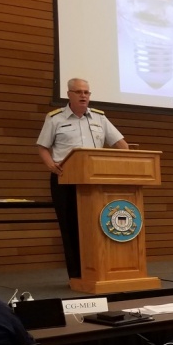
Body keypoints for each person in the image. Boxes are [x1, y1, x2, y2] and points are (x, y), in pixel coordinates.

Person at [37, 78, 130, 279]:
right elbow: (43, 147)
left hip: (97, 182)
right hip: (66, 180)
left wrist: (123, 164)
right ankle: (77, 275)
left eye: (87, 92)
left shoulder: (99, 118)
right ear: (69, 94)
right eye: (79, 92)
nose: (83, 96)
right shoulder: (55, 118)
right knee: (70, 227)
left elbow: (122, 145)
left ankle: (99, 270)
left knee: (98, 225)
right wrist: (51, 165)